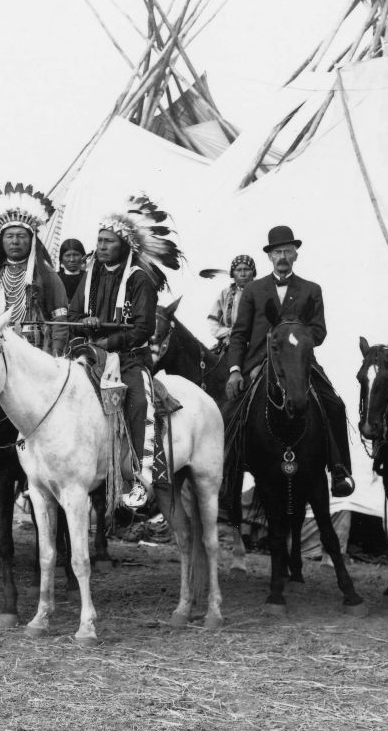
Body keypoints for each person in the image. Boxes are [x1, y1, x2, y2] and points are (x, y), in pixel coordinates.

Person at [223, 225, 356, 498]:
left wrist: (298, 338)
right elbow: (239, 334)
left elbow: (319, 330)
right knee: (230, 411)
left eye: (287, 251)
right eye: (277, 252)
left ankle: (339, 469)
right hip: (259, 361)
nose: (282, 256)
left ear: (295, 255)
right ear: (269, 257)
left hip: (298, 362)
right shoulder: (253, 290)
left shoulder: (311, 289)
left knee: (333, 402)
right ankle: (227, 475)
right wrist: (235, 370)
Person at [70, 194, 182, 502]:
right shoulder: (89, 276)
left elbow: (143, 329)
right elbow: (73, 316)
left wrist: (109, 342)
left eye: (108, 241)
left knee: (137, 403)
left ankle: (138, 477)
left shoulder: (139, 279)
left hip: (128, 359)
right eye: (99, 240)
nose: (102, 246)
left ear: (124, 245)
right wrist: (86, 323)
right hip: (89, 354)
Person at [0, 182, 70, 353]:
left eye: (21, 236)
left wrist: (55, 356)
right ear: (0, 241)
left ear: (32, 240)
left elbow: (60, 318)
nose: (15, 242)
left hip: (35, 349)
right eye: (9, 236)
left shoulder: (45, 273)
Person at [206, 255, 256, 347]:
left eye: (247, 269)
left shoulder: (262, 291)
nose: (243, 274)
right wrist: (227, 333)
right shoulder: (225, 294)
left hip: (258, 343)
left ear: (253, 272)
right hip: (230, 342)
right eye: (238, 270)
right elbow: (213, 321)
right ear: (233, 274)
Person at [56, 237, 88, 304]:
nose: (72, 259)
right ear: (61, 259)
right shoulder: (54, 279)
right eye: (67, 255)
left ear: (83, 257)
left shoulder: (89, 278)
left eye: (76, 255)